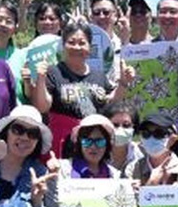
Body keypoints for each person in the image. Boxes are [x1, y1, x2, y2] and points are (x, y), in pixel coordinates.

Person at [31, 22, 134, 156]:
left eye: (82, 43)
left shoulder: (99, 75)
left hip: (94, 146)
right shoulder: (53, 72)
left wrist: (123, 83)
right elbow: (42, 107)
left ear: (90, 48)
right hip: (62, 146)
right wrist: (40, 78)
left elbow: (111, 103)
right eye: (71, 42)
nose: (77, 47)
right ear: (63, 46)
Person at [130, 111, 178, 186]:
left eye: (159, 133)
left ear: (173, 139)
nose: (151, 138)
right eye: (146, 134)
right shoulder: (132, 168)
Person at [54, 114, 120, 181]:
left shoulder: (114, 175)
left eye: (99, 141)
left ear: (107, 144)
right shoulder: (62, 168)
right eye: (87, 141)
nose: (93, 147)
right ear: (79, 143)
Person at [104, 103, 140, 175]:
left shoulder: (141, 154)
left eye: (126, 125)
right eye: (115, 125)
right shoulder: (97, 153)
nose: (120, 129)